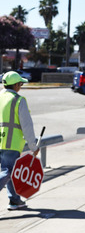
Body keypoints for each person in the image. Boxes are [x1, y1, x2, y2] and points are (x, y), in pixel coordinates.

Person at [0, 71, 40, 210]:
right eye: (20, 84)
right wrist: (33, 146)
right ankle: (14, 200)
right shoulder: (18, 100)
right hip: (11, 143)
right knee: (9, 171)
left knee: (9, 171)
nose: (21, 86)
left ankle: (15, 200)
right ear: (16, 84)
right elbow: (27, 126)